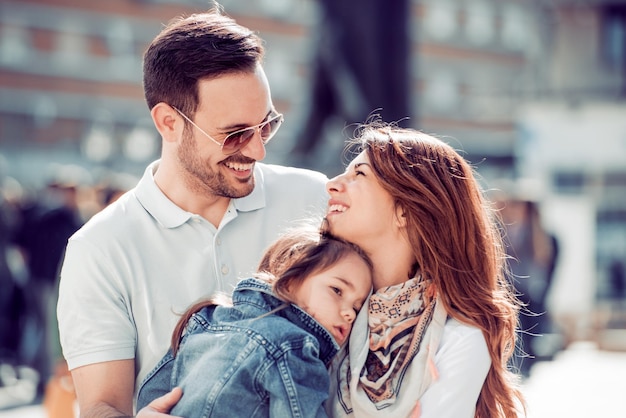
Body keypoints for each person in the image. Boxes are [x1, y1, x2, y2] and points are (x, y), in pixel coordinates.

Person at [56, 6, 329, 417]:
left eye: (266, 125)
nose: (257, 149)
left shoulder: (317, 198)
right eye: (235, 134)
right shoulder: (99, 249)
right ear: (168, 122)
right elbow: (102, 405)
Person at [323, 121, 525, 417]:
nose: (333, 184)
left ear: (405, 209)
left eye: (359, 174)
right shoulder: (323, 304)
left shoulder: (459, 338)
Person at [136, 226, 372, 417]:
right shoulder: (293, 346)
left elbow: (152, 399)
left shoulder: (206, 318)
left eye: (357, 306)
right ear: (290, 280)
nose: (349, 313)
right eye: (337, 290)